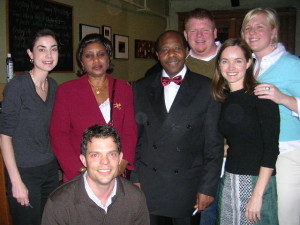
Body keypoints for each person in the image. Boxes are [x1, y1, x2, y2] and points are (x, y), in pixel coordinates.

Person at [132, 30, 224, 225]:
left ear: (187, 51)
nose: (171, 54)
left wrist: (207, 188)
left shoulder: (207, 88)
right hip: (150, 184)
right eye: (165, 50)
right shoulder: (141, 87)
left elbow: (213, 145)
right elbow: (137, 139)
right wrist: (135, 177)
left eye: (177, 49)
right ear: (157, 55)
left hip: (187, 185)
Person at [50, 33, 137, 182]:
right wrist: (80, 170)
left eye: (101, 54)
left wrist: (122, 163)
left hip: (114, 170)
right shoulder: (67, 91)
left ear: (108, 58)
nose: (96, 60)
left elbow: (130, 129)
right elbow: (58, 135)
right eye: (89, 56)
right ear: (82, 63)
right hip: (80, 174)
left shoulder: (123, 88)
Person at [241, 8, 300, 225]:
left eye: (259, 26)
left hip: (287, 153)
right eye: (248, 28)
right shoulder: (249, 67)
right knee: (262, 215)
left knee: (286, 217)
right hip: (260, 154)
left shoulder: (292, 64)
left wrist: (283, 98)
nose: (252, 32)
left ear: (273, 32)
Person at [212, 38, 280, 225]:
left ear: (249, 63)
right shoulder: (223, 99)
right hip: (230, 179)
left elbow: (271, 149)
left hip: (256, 181)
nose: (231, 67)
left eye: (238, 60)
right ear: (219, 65)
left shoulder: (262, 95)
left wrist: (257, 195)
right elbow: (239, 142)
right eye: (225, 61)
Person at [0, 29, 60, 225]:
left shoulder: (54, 86)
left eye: (53, 49)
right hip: (25, 172)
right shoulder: (18, 86)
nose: (49, 55)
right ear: (30, 54)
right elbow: (4, 137)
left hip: (50, 171)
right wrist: (16, 182)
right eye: (41, 49)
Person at [42, 125, 149, 225]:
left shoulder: (135, 198)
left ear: (120, 158)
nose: (105, 161)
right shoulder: (59, 203)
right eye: (95, 155)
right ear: (84, 160)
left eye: (111, 154)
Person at [184, 8, 221, 79]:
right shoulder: (180, 66)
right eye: (193, 31)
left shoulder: (234, 59)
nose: (199, 35)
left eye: (205, 30)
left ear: (215, 33)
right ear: (186, 35)